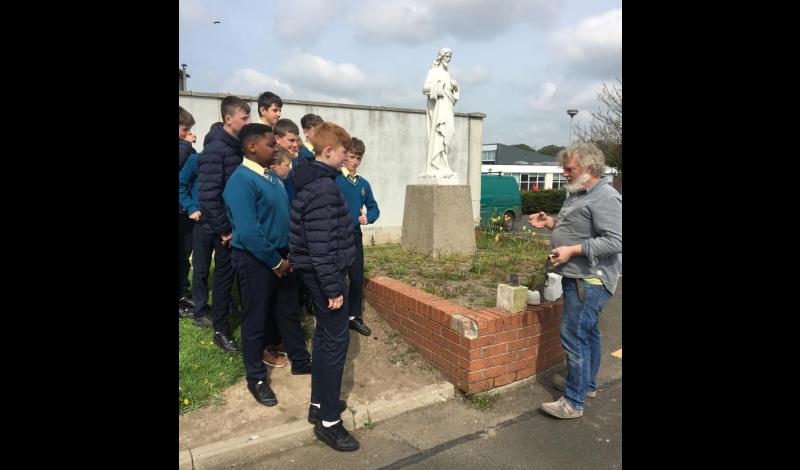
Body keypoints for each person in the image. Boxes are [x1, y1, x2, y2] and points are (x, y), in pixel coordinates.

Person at [528, 142, 622, 419]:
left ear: (589, 168)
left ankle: (572, 402)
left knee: (574, 336)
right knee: (589, 334)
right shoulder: (578, 193)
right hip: (579, 277)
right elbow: (574, 229)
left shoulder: (605, 196)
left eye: (569, 168)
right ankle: (585, 385)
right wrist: (550, 223)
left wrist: (572, 250)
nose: (564, 173)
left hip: (589, 280)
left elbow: (616, 240)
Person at [224, 123, 312, 407]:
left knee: (287, 311)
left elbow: (282, 215)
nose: (276, 149)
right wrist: (274, 261)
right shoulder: (240, 181)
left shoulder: (272, 178)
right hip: (257, 261)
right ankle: (257, 378)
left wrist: (288, 255)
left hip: (281, 257)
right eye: (270, 145)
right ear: (251, 147)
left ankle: (299, 359)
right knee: (256, 319)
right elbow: (248, 231)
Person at [289, 122, 358, 452]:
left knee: (323, 338)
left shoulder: (314, 180)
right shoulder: (324, 189)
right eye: (344, 152)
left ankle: (319, 405)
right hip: (325, 278)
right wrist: (333, 288)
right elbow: (320, 245)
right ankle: (330, 422)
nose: (347, 158)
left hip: (317, 276)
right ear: (328, 151)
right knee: (334, 346)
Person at [194, 96, 251, 354]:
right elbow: (208, 195)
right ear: (228, 119)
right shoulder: (215, 150)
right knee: (224, 278)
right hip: (223, 229)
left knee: (236, 277)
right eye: (244, 117)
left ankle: (232, 312)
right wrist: (225, 230)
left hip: (236, 225)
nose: (248, 122)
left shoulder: (237, 147)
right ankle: (220, 330)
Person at [336, 137, 380, 337]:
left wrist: (368, 217)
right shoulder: (334, 179)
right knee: (337, 277)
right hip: (336, 237)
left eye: (358, 158)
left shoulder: (363, 184)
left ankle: (353, 317)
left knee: (356, 278)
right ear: (344, 155)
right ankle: (335, 317)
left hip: (355, 236)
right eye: (352, 156)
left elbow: (374, 207)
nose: (354, 161)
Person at [422, 48, 458, 179]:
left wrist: (455, 87)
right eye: (447, 56)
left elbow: (452, 96)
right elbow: (425, 88)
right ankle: (435, 166)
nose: (448, 59)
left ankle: (444, 166)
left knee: (449, 133)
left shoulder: (448, 74)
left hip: (447, 109)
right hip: (438, 111)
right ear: (441, 57)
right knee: (438, 135)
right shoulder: (433, 71)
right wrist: (440, 87)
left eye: (450, 57)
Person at [179, 107, 197, 316]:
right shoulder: (183, 147)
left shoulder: (185, 148)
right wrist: (185, 144)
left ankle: (183, 291)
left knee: (184, 255)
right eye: (184, 130)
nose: (188, 134)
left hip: (184, 211)